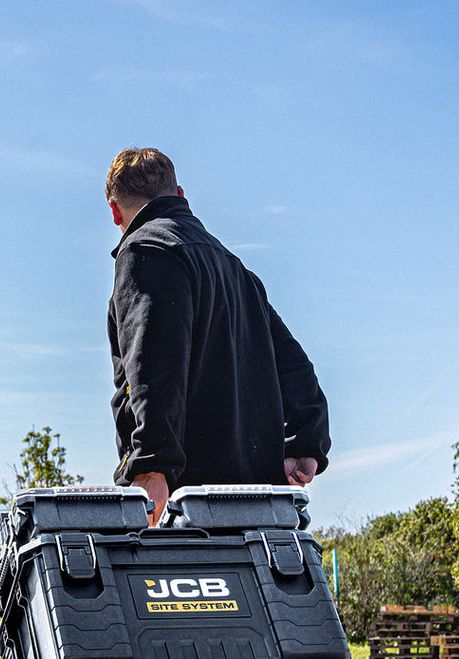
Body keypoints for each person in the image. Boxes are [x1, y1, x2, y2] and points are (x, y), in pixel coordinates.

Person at [106, 148, 330, 523]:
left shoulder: (147, 251)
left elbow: (153, 367)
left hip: (188, 505)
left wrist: (152, 467)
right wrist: (305, 443)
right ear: (179, 195)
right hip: (257, 505)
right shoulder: (233, 267)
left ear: (115, 211)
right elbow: (295, 366)